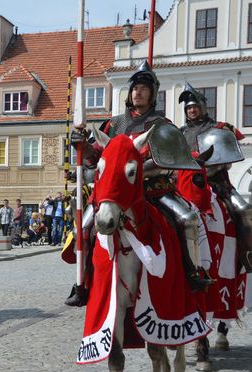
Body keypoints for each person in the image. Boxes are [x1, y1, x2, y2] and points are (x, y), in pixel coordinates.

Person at [66, 60, 210, 307]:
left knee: (187, 218)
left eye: (144, 88)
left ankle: (192, 272)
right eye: (135, 88)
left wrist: (137, 171)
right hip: (117, 193)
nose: (138, 92)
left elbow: (169, 161)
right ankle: (83, 283)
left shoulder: (162, 126)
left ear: (152, 94)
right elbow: (96, 161)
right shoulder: (113, 125)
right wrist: (83, 146)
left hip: (154, 189)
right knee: (86, 226)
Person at [179, 83, 252, 269]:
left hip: (218, 184)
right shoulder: (180, 134)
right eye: (188, 108)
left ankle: (247, 253)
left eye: (195, 106)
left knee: (244, 210)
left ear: (203, 107)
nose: (192, 110)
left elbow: (226, 162)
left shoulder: (219, 129)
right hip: (187, 184)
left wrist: (207, 170)